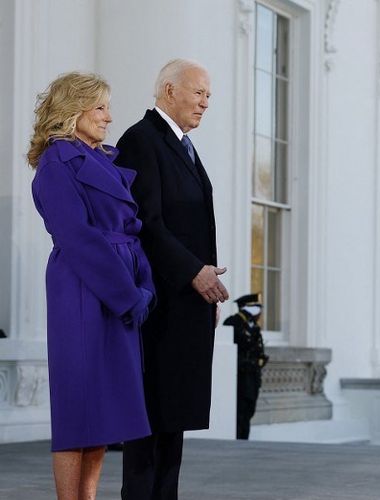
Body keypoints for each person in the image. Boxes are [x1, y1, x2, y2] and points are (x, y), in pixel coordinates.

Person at [28, 72, 154, 500]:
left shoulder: (101, 159)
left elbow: (131, 229)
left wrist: (145, 286)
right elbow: (77, 236)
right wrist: (126, 294)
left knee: (105, 413)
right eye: (100, 107)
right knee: (77, 411)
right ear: (73, 110)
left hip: (119, 286)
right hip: (82, 291)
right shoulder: (56, 164)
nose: (109, 116)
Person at [116, 59, 229, 500]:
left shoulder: (183, 145)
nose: (205, 103)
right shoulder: (141, 140)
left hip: (188, 302)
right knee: (150, 419)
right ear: (168, 90)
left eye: (209, 96)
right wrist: (192, 272)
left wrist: (205, 286)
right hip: (159, 303)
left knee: (174, 417)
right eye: (199, 93)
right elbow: (145, 221)